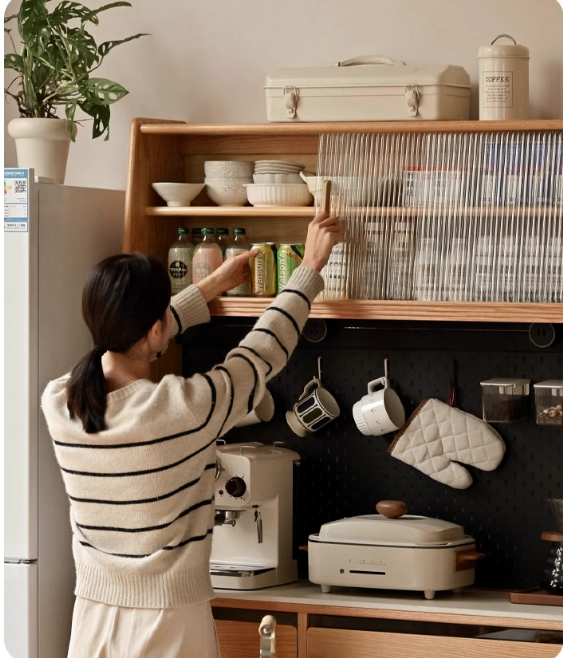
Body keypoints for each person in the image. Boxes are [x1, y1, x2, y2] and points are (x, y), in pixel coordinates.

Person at [41, 211, 341, 658]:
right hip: (170, 623)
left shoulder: (59, 402)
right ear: (155, 327)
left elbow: (136, 337)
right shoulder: (184, 409)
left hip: (92, 619)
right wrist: (310, 267)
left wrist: (210, 286)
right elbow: (259, 352)